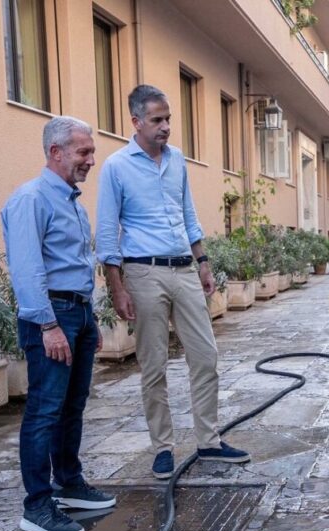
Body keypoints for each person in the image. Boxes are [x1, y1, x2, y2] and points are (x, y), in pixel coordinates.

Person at [96, 84, 249, 479]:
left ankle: (209, 441)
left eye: (168, 119)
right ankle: (162, 447)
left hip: (183, 267)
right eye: (157, 120)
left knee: (205, 355)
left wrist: (203, 262)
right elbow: (107, 230)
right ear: (136, 122)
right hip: (142, 271)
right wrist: (117, 286)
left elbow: (187, 212)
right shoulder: (116, 166)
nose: (165, 127)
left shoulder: (177, 159)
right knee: (153, 363)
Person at [1, 116, 116, 531]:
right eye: (83, 152)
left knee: (72, 405)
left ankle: (69, 482)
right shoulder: (30, 199)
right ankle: (37, 505)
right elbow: (28, 269)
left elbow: (76, 266)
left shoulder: (70, 201)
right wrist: (49, 325)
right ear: (56, 152)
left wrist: (90, 319)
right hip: (51, 317)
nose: (90, 160)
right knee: (44, 410)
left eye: (91, 152)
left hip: (78, 313)